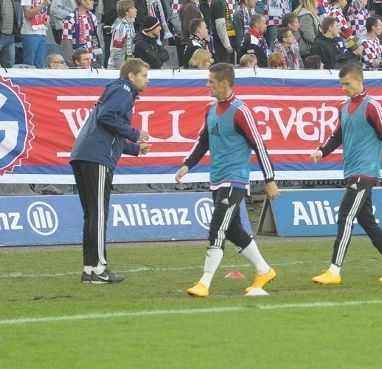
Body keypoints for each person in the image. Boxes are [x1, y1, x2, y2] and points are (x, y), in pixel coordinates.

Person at [176, 63, 280, 297]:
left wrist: (270, 179)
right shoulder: (211, 109)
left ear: (224, 84)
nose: (207, 85)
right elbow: (204, 141)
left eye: (211, 82)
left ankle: (204, 282)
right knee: (233, 230)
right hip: (217, 179)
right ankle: (264, 270)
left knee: (217, 228)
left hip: (234, 180)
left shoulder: (241, 111)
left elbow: (259, 145)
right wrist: (187, 164)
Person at [309, 63, 382, 285]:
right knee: (367, 220)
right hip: (352, 170)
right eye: (341, 84)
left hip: (365, 171)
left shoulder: (372, 106)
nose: (344, 88)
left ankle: (334, 270)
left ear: (359, 81)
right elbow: (337, 135)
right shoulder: (345, 107)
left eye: (347, 84)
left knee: (345, 215)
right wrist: (321, 151)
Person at [69, 58, 152, 283]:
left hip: (85, 154)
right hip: (97, 157)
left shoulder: (117, 90)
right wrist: (135, 133)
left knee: (92, 215)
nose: (147, 81)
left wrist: (135, 149)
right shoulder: (124, 89)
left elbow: (108, 131)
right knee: (98, 214)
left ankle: (89, 269)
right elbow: (107, 117)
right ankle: (98, 268)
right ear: (131, 76)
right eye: (144, 76)